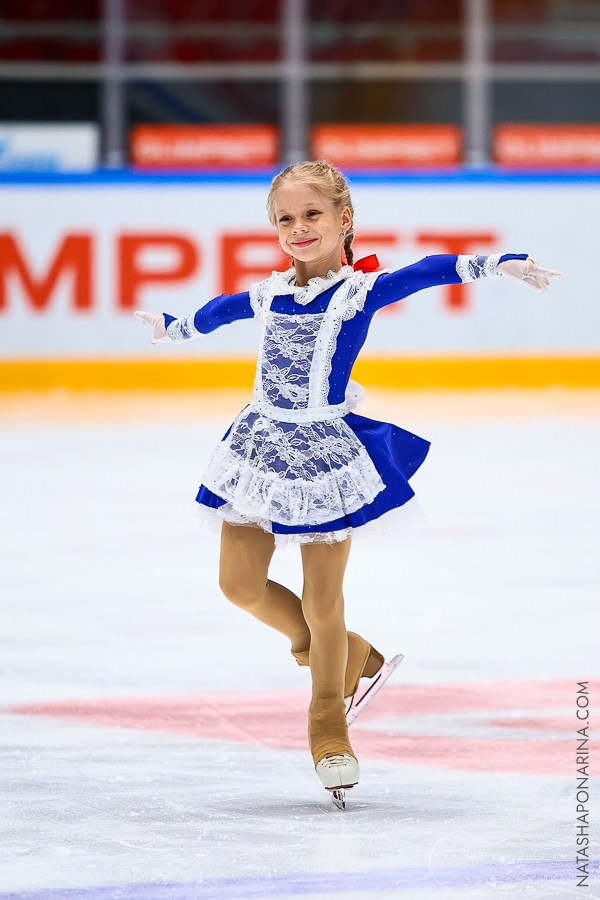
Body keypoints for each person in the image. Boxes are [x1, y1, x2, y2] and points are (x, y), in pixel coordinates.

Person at [135, 159, 561, 807]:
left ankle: (327, 720)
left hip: (325, 451)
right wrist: (178, 328)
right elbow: (221, 311)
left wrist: (492, 264)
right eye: (285, 218)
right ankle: (349, 652)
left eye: (312, 215)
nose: (299, 228)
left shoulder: (357, 294)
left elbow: (423, 274)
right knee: (238, 584)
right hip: (258, 445)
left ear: (343, 220)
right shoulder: (269, 293)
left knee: (321, 596)